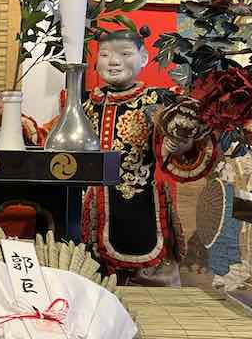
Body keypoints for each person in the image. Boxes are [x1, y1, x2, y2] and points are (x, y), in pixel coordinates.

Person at [82, 29, 217, 286]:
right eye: (106, 54)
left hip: (142, 206)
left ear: (143, 58)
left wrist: (179, 144)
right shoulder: (89, 104)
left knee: (150, 287)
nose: (114, 61)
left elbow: (187, 143)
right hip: (91, 210)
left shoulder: (158, 101)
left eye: (125, 54)